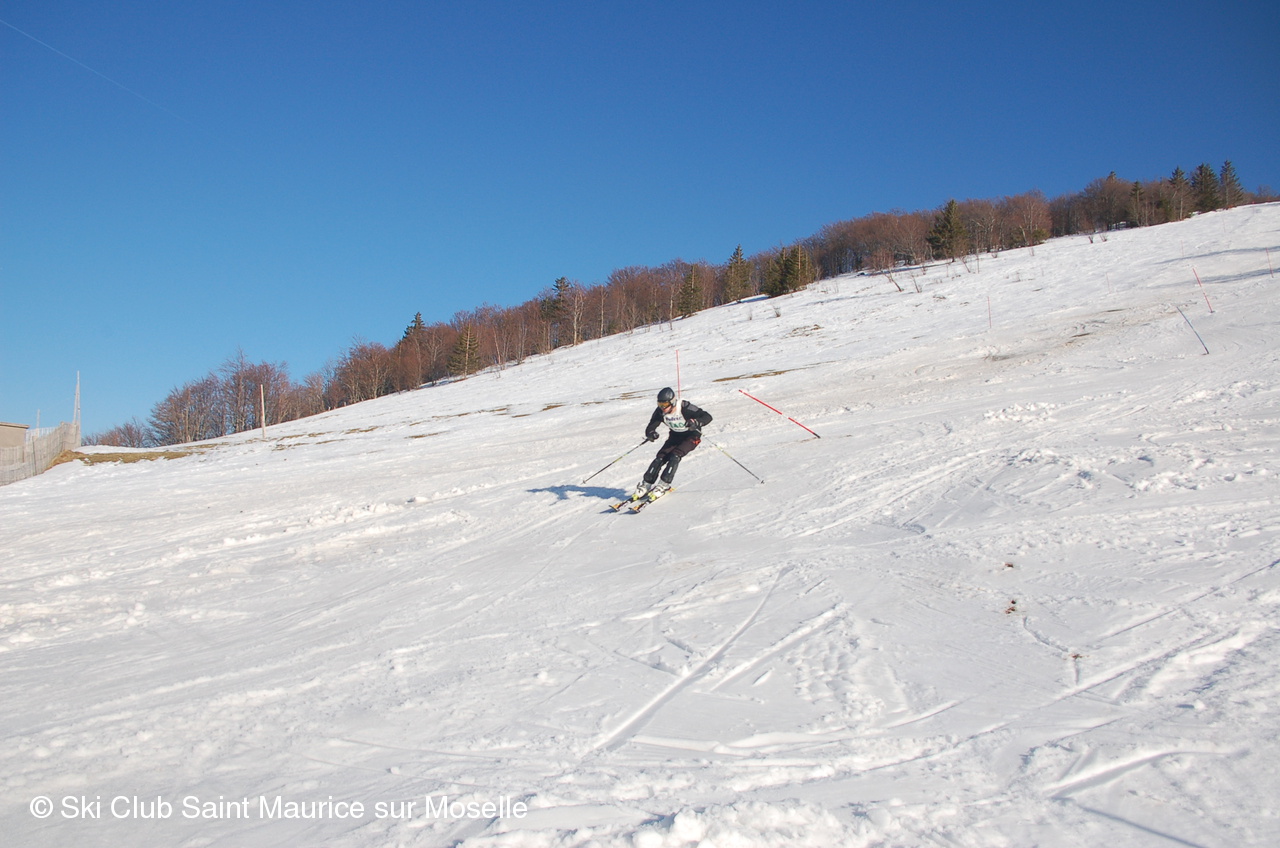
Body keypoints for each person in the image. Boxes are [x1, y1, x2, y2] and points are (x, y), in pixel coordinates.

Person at [633, 387, 712, 499]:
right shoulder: (660, 411)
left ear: (673, 402)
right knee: (660, 457)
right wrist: (651, 433)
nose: (663, 408)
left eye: (665, 404)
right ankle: (646, 484)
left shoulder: (684, 407)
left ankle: (663, 485)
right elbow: (651, 425)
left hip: (691, 436)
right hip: (675, 436)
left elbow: (707, 416)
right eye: (660, 404)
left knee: (675, 456)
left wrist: (697, 422)